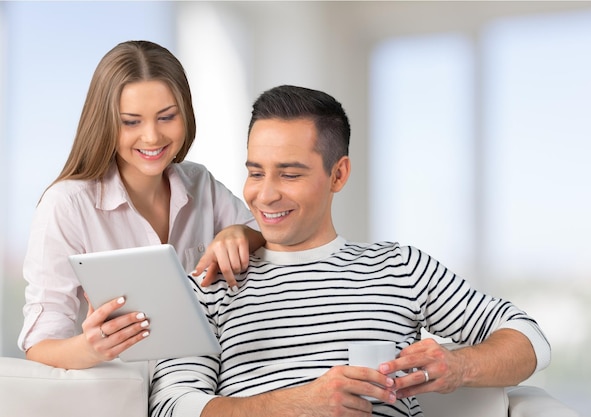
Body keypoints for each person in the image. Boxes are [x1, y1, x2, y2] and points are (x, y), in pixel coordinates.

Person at [150, 85, 550, 417]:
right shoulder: (210, 283)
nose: (264, 194)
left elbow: (528, 338)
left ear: (338, 174)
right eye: (256, 172)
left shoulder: (400, 267)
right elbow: (173, 405)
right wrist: (299, 403)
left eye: (289, 173)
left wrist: (459, 367)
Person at [18, 40, 264, 370]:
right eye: (131, 121)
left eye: (166, 117)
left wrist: (238, 233)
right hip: (120, 394)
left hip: (205, 387)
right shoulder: (67, 205)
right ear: (105, 122)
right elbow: (39, 344)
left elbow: (268, 234)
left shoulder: (200, 184)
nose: (152, 137)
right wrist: (90, 348)